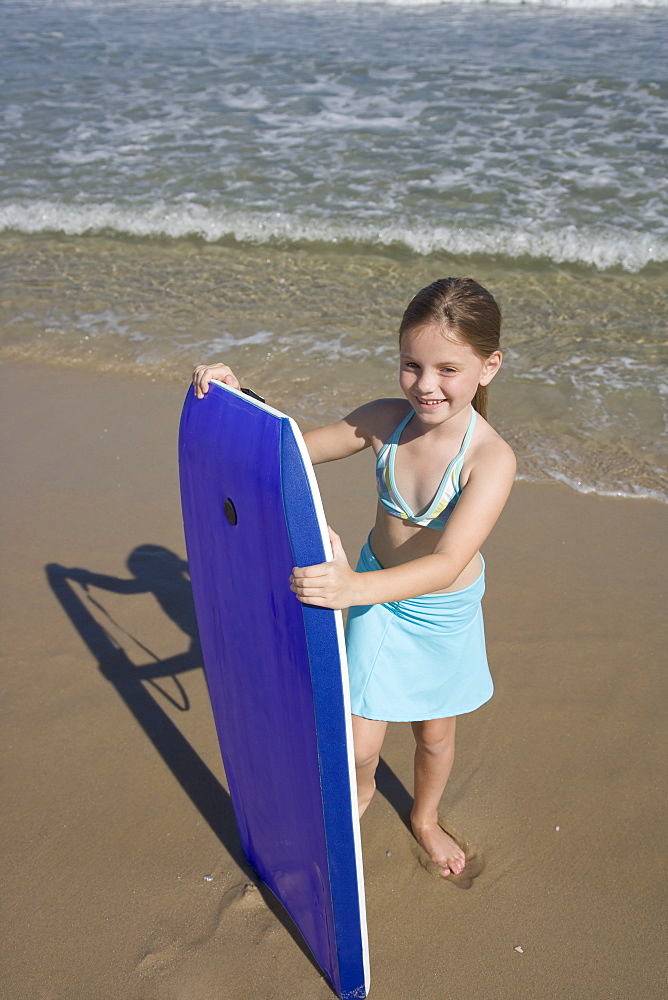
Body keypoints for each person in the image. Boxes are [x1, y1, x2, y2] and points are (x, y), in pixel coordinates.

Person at [192, 277, 516, 879]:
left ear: (488, 366)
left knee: (435, 736)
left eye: (448, 368)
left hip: (443, 610)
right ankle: (357, 801)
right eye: (411, 365)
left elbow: (446, 564)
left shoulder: (490, 459)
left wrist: (348, 589)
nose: (425, 385)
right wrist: (241, 399)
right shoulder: (385, 423)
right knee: (361, 742)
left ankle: (424, 816)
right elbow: (288, 449)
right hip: (378, 597)